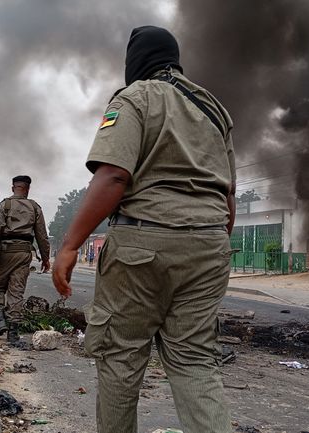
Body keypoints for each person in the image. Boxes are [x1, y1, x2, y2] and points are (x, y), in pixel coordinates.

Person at [52, 26, 237, 433]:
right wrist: (211, 244)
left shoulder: (134, 98)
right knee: (194, 360)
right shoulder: (212, 108)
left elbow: (114, 175)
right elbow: (229, 197)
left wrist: (70, 246)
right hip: (209, 245)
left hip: (143, 243)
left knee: (121, 357)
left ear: (136, 61)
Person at [0, 175, 51, 343]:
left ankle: (0, 319)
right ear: (27, 189)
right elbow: (42, 236)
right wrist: (45, 258)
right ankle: (13, 333)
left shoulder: (4, 205)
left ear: (12, 187)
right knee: (17, 291)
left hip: (4, 252)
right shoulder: (35, 207)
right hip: (24, 253)